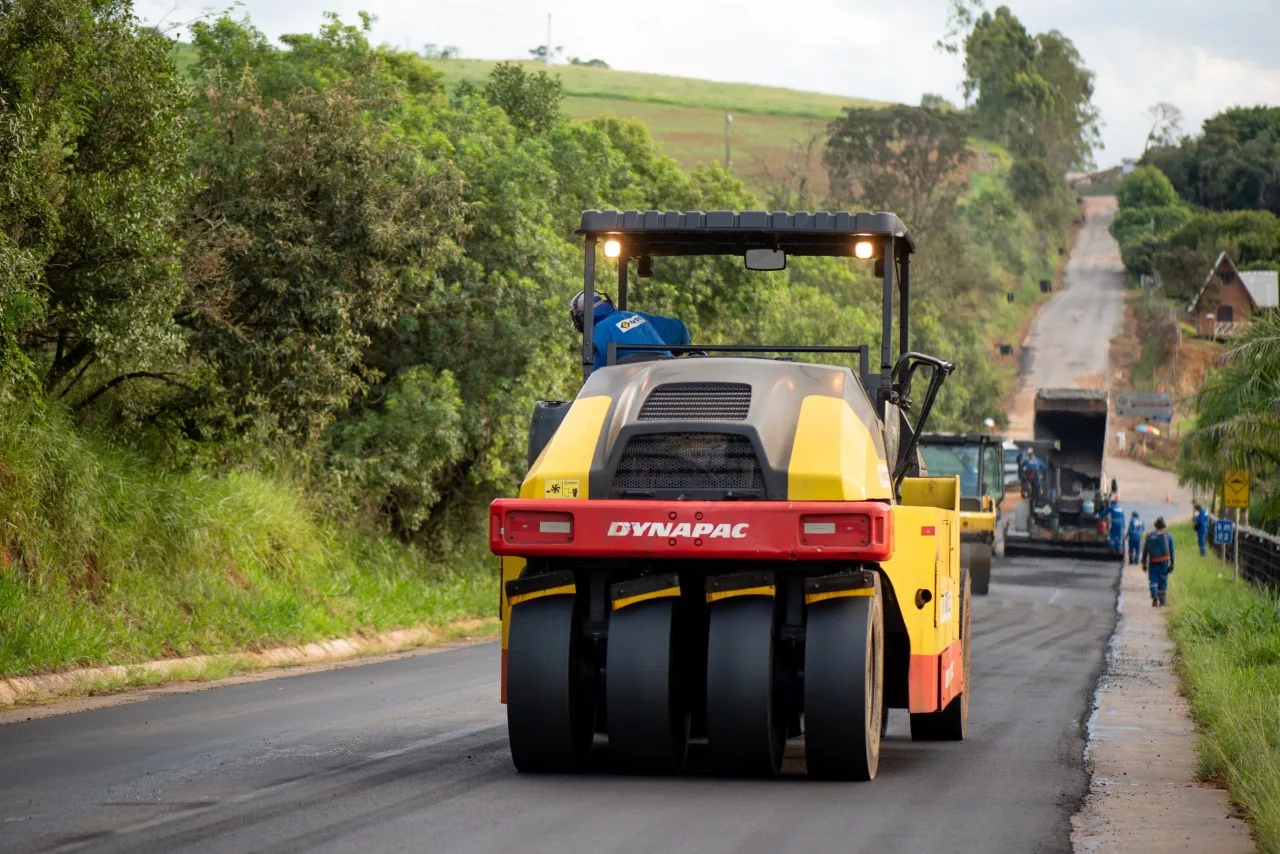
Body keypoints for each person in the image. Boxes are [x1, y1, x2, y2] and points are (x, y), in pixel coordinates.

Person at [569, 291, 690, 370]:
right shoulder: (636, 316)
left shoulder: (600, 330)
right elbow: (678, 328)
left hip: (637, 387)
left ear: (581, 319)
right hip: (669, 372)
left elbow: (597, 377)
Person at [1140, 517, 1175, 607]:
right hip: (1164, 562)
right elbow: (1171, 551)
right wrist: (1172, 564)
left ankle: (1154, 596)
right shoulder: (1168, 536)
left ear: (1155, 526)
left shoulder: (1149, 536)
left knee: (1153, 580)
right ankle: (1162, 601)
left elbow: (1145, 551)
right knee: (1163, 580)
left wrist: (1143, 563)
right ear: (1164, 526)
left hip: (1153, 562)